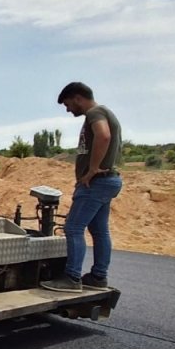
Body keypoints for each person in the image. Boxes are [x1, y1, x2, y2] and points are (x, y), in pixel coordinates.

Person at [41, 82, 123, 293]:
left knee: (73, 228)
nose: (68, 110)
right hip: (108, 181)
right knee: (99, 230)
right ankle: (98, 277)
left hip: (96, 183)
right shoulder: (104, 111)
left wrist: (93, 169)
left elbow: (103, 135)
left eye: (68, 105)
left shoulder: (95, 112)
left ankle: (72, 277)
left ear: (78, 98)